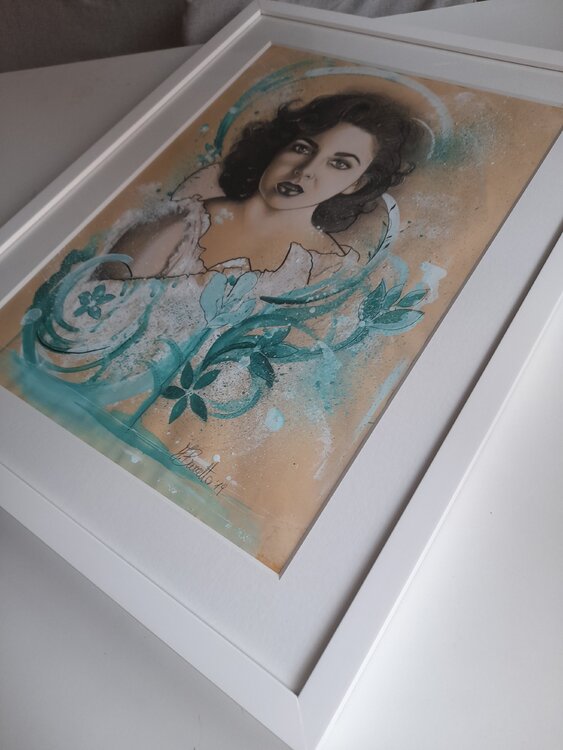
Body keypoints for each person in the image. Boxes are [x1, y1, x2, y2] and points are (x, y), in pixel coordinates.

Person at [97, 92, 419, 285]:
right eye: (303, 148)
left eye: (339, 164)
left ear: (357, 183)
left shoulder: (329, 271)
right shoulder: (182, 222)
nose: (305, 171)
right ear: (279, 147)